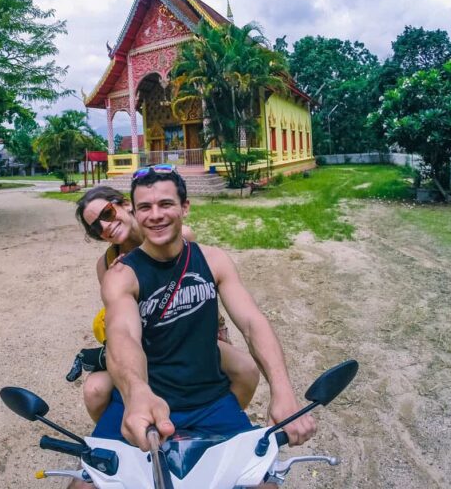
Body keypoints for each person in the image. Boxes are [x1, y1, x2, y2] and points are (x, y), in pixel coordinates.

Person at [96, 165, 316, 453]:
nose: (156, 215)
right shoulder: (121, 275)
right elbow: (122, 334)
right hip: (145, 402)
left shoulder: (215, 260)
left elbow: (252, 323)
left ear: (185, 207)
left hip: (211, 402)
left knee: (261, 480)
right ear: (136, 213)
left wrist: (283, 392)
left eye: (166, 204)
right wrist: (137, 392)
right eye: (145, 207)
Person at [71, 186, 259, 421]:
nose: (105, 227)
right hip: (145, 343)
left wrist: (219, 328)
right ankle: (125, 443)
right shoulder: (108, 265)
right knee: (93, 390)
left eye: (107, 214)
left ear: (125, 204)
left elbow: (199, 285)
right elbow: (121, 320)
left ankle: (213, 429)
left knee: (246, 369)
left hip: (185, 336)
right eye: (95, 228)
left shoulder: (181, 236)